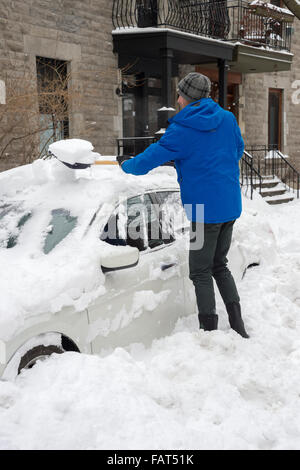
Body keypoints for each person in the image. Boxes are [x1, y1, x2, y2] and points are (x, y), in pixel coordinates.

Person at [119, 72, 249, 338]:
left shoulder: (182, 129)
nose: (177, 99)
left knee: (200, 270)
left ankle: (209, 331)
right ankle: (238, 324)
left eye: (179, 94)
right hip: (230, 205)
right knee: (219, 264)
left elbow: (147, 161)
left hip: (203, 211)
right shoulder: (227, 118)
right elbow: (237, 151)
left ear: (188, 98)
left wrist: (125, 165)